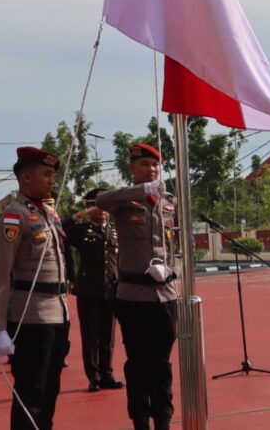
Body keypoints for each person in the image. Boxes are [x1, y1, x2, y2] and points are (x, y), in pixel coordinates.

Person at [95, 143, 180, 430]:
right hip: (133, 297)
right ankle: (141, 420)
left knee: (162, 363)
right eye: (144, 164)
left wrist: (172, 269)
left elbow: (175, 245)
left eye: (155, 165)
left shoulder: (169, 202)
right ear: (132, 169)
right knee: (138, 363)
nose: (151, 169)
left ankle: (164, 419)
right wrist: (140, 191)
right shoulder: (124, 200)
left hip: (165, 295)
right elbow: (102, 201)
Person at [0, 147, 71, 430]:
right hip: (31, 316)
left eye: (53, 175)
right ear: (25, 177)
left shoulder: (49, 213)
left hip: (58, 314)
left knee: (51, 389)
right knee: (31, 393)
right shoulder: (14, 215)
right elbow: (0, 274)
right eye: (46, 174)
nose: (52, 181)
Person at [66, 188, 124, 392]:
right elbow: (61, 228)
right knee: (90, 335)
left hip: (111, 289)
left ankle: (107, 373)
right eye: (95, 205)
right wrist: (77, 215)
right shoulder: (81, 230)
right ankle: (94, 376)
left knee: (108, 335)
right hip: (88, 290)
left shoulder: (116, 229)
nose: (100, 210)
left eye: (103, 206)